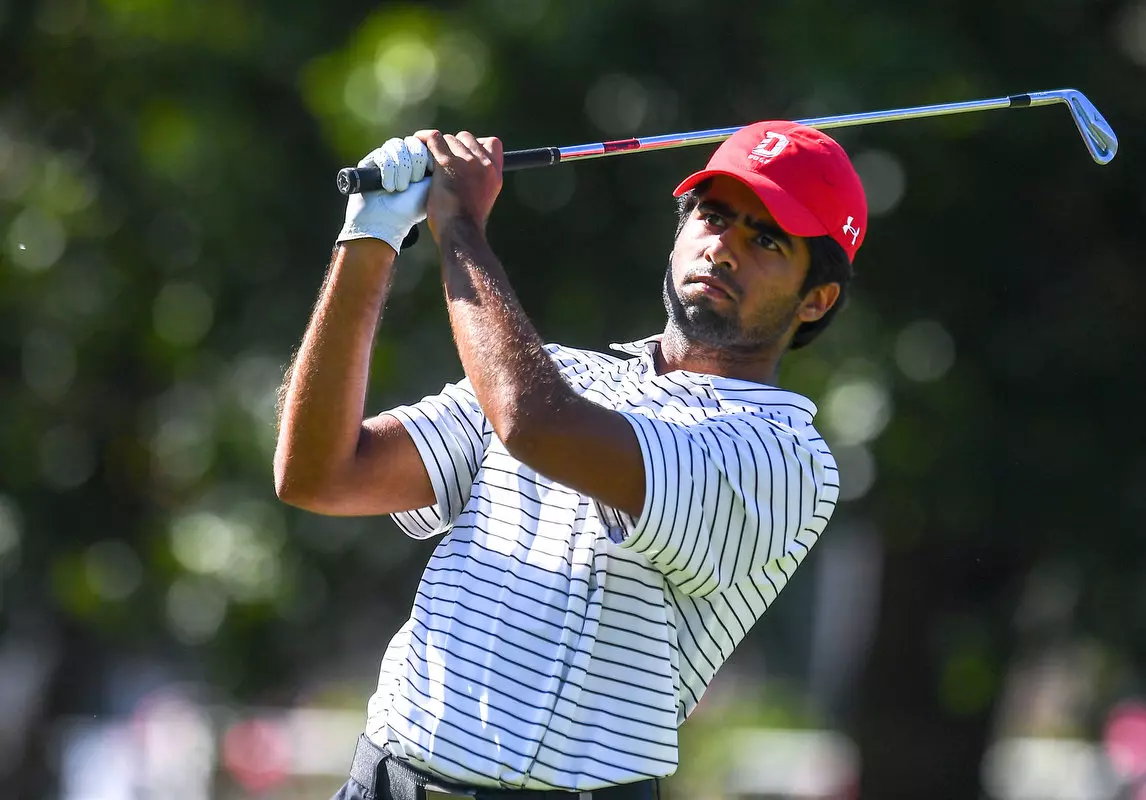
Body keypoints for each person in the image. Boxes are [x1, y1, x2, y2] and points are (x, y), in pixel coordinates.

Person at [274, 120, 868, 800]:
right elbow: (319, 473)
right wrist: (371, 238)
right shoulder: (552, 373)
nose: (723, 249)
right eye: (713, 216)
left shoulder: (785, 459)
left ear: (817, 299)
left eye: (766, 240)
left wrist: (460, 226)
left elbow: (537, 426)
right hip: (386, 781)